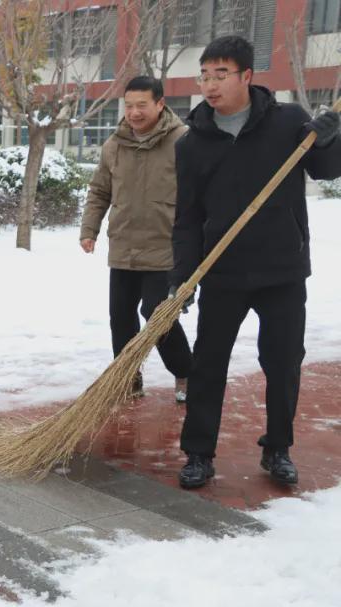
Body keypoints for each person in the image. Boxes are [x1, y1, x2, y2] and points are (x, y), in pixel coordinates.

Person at [170, 35, 341, 489]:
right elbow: (187, 219)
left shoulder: (287, 122)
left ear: (247, 76)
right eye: (204, 75)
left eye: (221, 74)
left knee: (284, 362)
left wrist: (329, 139)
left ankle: (278, 448)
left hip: (281, 270)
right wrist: (181, 277)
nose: (210, 84)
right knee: (208, 364)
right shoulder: (192, 144)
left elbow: (327, 170)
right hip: (222, 272)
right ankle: (199, 453)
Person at [80, 75, 193, 402]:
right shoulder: (114, 144)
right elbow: (99, 190)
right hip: (124, 244)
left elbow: (199, 194)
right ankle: (127, 377)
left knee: (157, 315)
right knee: (121, 317)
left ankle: (185, 371)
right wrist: (90, 229)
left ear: (160, 104)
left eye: (141, 105)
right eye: (129, 106)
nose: (134, 112)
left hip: (165, 246)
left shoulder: (183, 141)